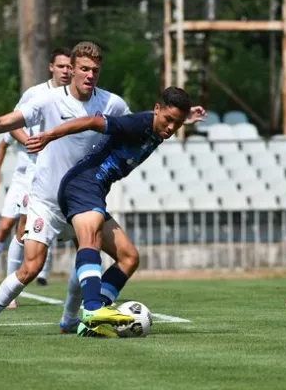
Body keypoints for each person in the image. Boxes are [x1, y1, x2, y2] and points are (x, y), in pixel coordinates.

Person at [0, 42, 155, 338]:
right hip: (46, 201)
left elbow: (138, 127)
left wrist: (181, 117)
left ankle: (73, 319)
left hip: (84, 199)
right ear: (71, 69)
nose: (90, 75)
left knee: (120, 256)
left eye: (95, 70)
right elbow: (2, 124)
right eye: (84, 68)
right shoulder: (47, 101)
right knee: (31, 267)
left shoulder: (112, 104)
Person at [25, 86, 204, 336]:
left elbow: (171, 119)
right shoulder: (136, 124)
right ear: (156, 110)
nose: (172, 127)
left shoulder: (159, 128)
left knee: (129, 257)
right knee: (91, 238)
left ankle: (94, 321)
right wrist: (50, 135)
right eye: (168, 119)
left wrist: (187, 117)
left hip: (93, 189)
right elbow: (90, 121)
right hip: (83, 183)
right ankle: (92, 309)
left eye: (178, 123)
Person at [0, 48, 72, 290]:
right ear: (51, 67)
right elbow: (10, 125)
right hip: (30, 173)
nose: (66, 71)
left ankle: (67, 288)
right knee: (17, 225)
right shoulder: (36, 93)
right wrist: (31, 143)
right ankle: (0, 281)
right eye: (62, 66)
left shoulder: (77, 96)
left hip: (61, 173)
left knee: (64, 229)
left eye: (70, 67)